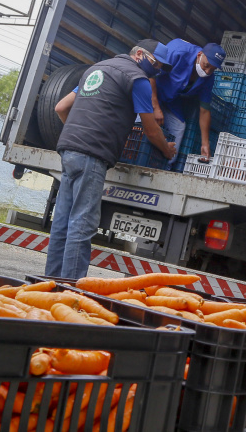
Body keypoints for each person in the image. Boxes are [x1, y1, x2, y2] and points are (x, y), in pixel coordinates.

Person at [44, 40, 177, 279]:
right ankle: (70, 288)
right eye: (156, 64)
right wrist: (167, 150)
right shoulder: (138, 80)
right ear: (139, 55)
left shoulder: (96, 69)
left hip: (69, 149)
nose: (158, 70)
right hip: (93, 154)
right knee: (81, 224)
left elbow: (61, 107)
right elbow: (150, 129)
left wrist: (79, 134)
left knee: (62, 222)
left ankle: (51, 283)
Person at [149, 39, 226, 168]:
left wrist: (205, 144)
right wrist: (155, 107)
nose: (207, 71)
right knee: (142, 124)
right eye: (206, 65)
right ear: (199, 55)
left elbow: (204, 110)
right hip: (149, 95)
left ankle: (165, 168)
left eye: (212, 70)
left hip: (170, 101)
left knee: (179, 127)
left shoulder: (208, 79)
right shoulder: (177, 52)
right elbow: (149, 74)